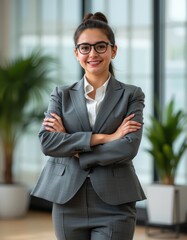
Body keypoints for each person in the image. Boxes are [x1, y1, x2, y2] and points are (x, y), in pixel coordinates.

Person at [31, 12, 146, 240]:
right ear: (76, 53)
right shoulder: (60, 95)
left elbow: (127, 148)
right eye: (85, 47)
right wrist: (106, 137)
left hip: (115, 201)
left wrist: (73, 147)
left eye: (100, 46)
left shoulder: (132, 95)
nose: (92, 53)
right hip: (67, 199)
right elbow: (47, 142)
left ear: (113, 50)